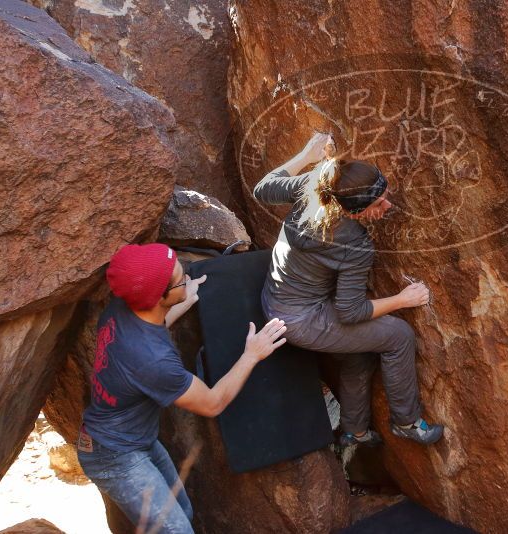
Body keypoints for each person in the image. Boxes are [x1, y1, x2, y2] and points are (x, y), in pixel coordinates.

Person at [77, 243, 287, 534]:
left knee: (182, 513)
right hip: (115, 454)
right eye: (180, 280)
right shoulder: (154, 363)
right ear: (159, 297)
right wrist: (252, 354)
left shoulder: (122, 308)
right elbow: (212, 403)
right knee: (177, 531)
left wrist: (185, 298)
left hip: (128, 438)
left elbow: (153, 330)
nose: (187, 277)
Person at [253, 132, 444, 446]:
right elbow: (351, 312)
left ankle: (354, 432)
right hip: (304, 320)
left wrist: (307, 156)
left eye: (384, 193)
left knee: (357, 352)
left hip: (278, 300)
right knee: (398, 335)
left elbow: (263, 189)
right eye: (378, 203)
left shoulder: (314, 187)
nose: (388, 204)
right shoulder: (353, 243)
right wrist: (401, 299)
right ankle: (407, 422)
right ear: (354, 213)